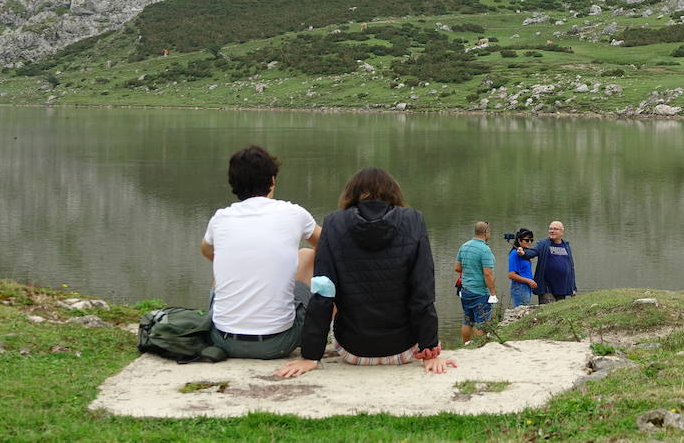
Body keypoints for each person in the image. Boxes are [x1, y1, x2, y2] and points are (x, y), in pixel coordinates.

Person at [275, 167, 456, 377]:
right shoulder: (414, 220)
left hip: (353, 352)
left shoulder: (334, 223)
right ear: (394, 193)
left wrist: (311, 356)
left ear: (350, 194)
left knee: (326, 289)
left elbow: (323, 295)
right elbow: (422, 292)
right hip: (406, 350)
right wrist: (430, 350)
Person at [200, 145, 320, 359]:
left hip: (223, 340)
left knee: (224, 262)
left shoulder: (221, 218)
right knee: (307, 255)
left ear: (233, 184)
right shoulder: (294, 213)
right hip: (279, 343)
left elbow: (206, 250)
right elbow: (330, 245)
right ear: (272, 180)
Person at [454, 221, 498, 344]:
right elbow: (488, 274)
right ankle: (479, 346)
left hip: (466, 290)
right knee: (481, 322)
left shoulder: (465, 246)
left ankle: (466, 344)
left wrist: (470, 269)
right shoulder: (485, 249)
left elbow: (457, 267)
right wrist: (493, 293)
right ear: (486, 232)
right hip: (480, 292)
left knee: (467, 320)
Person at [532, 220, 577, 304]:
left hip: (561, 287)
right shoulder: (543, 244)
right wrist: (523, 252)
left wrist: (573, 287)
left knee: (559, 310)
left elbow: (571, 268)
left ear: (562, 232)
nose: (552, 231)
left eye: (555, 229)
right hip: (546, 287)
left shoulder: (566, 246)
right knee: (548, 309)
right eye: (550, 229)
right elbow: (532, 252)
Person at [506, 228, 538, 307]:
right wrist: (528, 281)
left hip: (526, 287)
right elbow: (511, 275)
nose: (529, 242)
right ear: (519, 240)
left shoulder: (524, 253)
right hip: (519, 288)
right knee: (521, 312)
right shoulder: (514, 254)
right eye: (527, 240)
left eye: (531, 240)